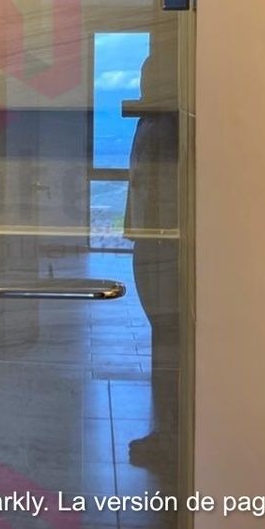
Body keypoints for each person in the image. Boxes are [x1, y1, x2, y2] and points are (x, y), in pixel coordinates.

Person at [122, 51, 180, 470]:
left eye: (151, 76)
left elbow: (161, 188)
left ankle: (172, 435)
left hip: (163, 243)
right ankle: (168, 432)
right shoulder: (152, 121)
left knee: (168, 334)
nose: (144, 85)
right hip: (150, 239)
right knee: (163, 332)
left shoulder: (168, 127)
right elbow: (140, 182)